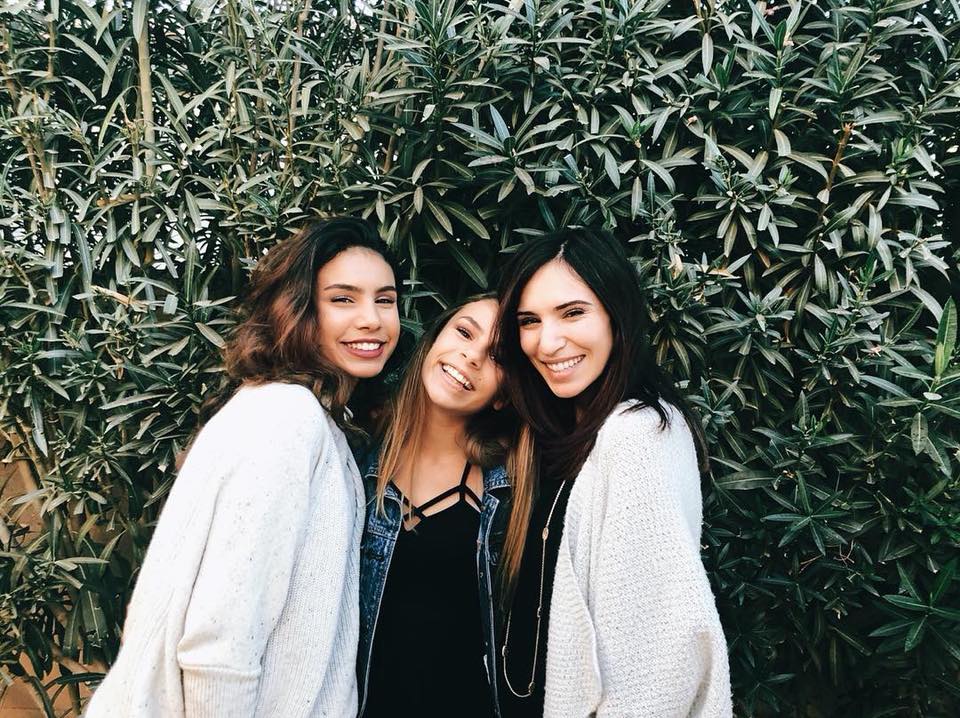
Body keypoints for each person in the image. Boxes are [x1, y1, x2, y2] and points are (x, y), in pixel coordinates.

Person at [85, 217, 401, 717]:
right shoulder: (287, 416)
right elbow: (221, 640)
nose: (372, 319)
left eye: (385, 300)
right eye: (343, 299)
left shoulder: (304, 417)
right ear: (298, 309)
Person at [493, 228, 732, 717]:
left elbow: (661, 655)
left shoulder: (638, 433)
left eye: (572, 313)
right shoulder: (560, 436)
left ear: (616, 317)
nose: (548, 342)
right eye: (529, 321)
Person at [357, 295, 531, 718]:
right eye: (464, 332)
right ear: (433, 341)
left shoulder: (509, 491)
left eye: (497, 357)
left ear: (503, 397)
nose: (471, 356)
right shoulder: (356, 455)